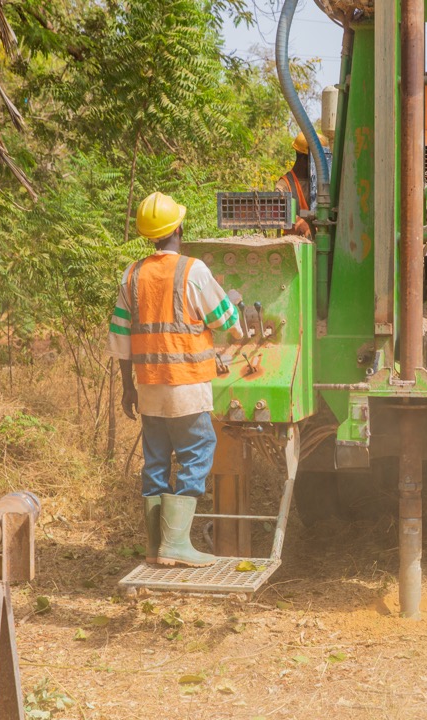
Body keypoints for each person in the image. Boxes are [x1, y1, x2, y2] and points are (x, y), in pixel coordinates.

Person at [107, 191, 243, 568]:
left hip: (149, 387)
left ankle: (156, 547)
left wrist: (127, 388)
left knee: (155, 462)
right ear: (179, 227)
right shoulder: (192, 270)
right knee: (197, 454)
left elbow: (120, 339)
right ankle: (177, 544)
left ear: (149, 235)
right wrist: (235, 311)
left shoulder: (131, 275)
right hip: (185, 387)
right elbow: (227, 321)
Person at [276, 131, 326, 237]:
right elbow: (280, 214)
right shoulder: (284, 186)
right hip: (294, 248)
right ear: (304, 159)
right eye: (317, 161)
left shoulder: (322, 184)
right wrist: (302, 225)